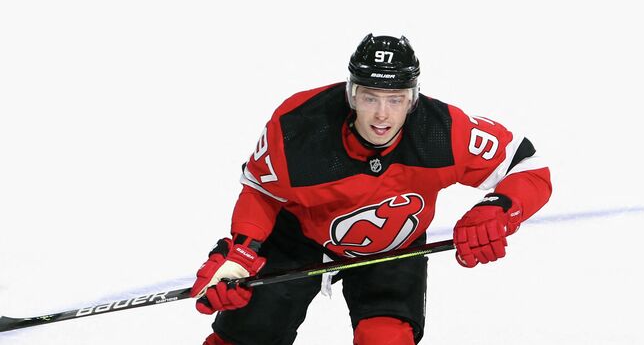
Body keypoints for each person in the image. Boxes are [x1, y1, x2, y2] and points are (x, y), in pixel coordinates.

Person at [189, 33, 552, 345]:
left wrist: (499, 208)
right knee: (244, 337)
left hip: (393, 242)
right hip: (297, 239)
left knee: (387, 337)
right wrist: (241, 253)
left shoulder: (442, 131)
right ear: (351, 94)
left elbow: (527, 166)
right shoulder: (299, 127)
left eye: (395, 99)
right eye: (370, 97)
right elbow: (261, 192)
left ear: (413, 98)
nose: (382, 114)